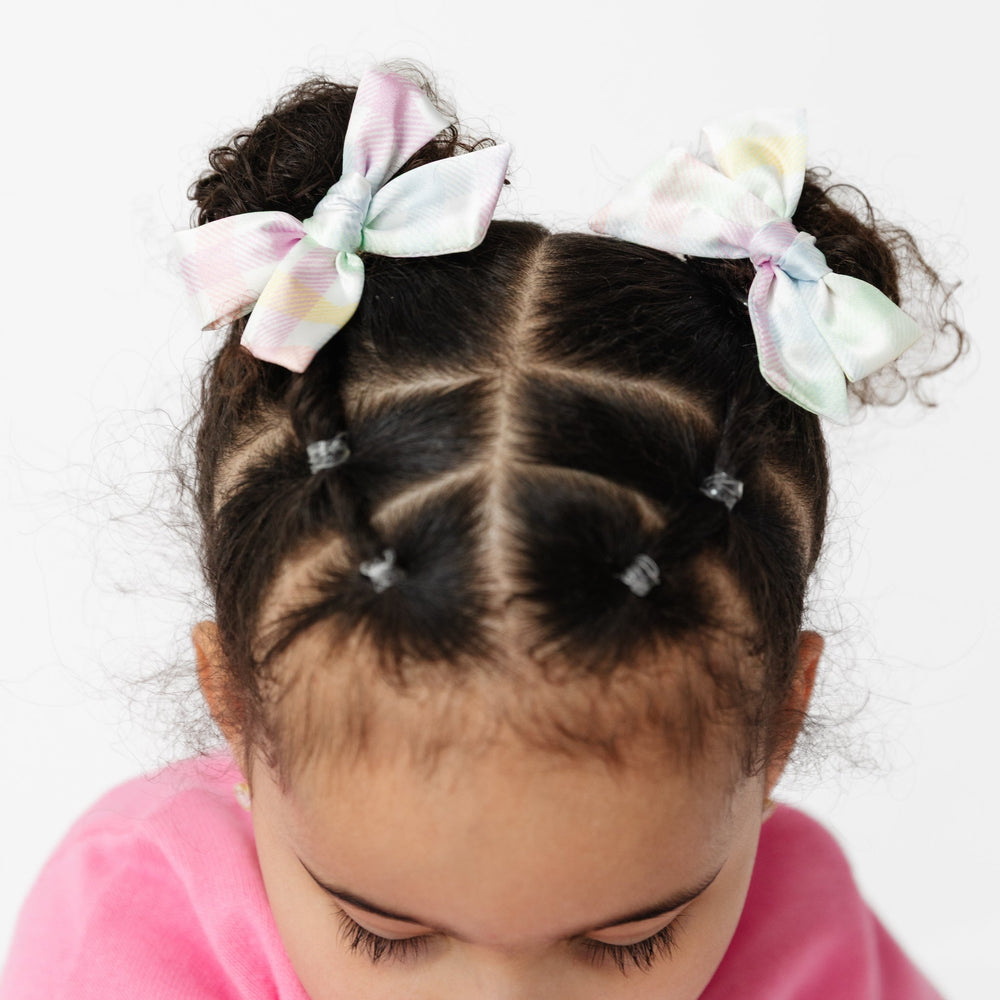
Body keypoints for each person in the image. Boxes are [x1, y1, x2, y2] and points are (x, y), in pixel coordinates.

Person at [0, 67, 964, 1000]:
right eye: (383, 934)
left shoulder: (806, 933)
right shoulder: (135, 927)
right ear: (238, 711)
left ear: (779, 724)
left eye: (632, 941)